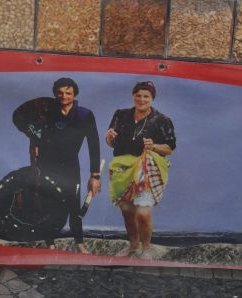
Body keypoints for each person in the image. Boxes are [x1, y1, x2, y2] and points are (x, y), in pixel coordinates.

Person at [28, 78, 102, 253]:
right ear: (55, 94)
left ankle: (79, 244)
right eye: (60, 93)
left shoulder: (85, 115)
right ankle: (51, 245)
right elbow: (32, 134)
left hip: (70, 165)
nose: (64, 96)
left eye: (68, 92)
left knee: (73, 204)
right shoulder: (45, 113)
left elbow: (94, 145)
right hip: (46, 164)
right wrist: (34, 150)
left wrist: (95, 175)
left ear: (74, 94)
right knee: (47, 203)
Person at [105, 80, 176, 259]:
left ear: (152, 98)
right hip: (121, 169)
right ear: (133, 96)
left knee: (143, 213)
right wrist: (109, 138)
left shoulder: (162, 120)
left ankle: (146, 250)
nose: (141, 99)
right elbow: (111, 141)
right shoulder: (120, 115)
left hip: (146, 169)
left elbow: (170, 148)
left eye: (146, 96)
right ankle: (133, 247)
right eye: (138, 95)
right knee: (128, 211)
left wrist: (154, 146)